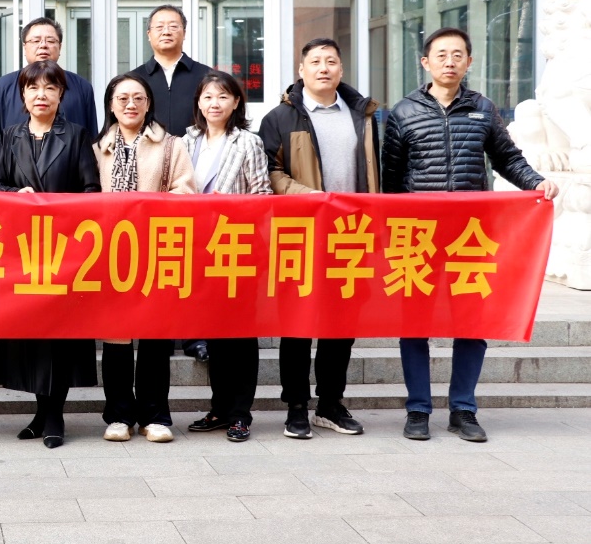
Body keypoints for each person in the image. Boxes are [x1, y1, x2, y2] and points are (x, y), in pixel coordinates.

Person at [383, 27, 558, 443]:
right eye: (441, 54)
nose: (449, 61)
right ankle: (418, 409)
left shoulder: (482, 108)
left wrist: (535, 182)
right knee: (414, 325)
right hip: (419, 235)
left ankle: (463, 408)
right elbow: (389, 180)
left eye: (457, 54)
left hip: (470, 235)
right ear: (425, 62)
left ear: (469, 62)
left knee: (472, 323)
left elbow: (507, 158)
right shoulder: (403, 112)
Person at [258, 38, 378, 440]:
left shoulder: (363, 115)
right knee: (297, 323)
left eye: (331, 61)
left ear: (341, 69)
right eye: (315, 61)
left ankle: (330, 404)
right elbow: (270, 172)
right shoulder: (280, 117)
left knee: (341, 324)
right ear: (301, 69)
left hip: (351, 233)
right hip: (301, 232)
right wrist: (310, 197)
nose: (323, 68)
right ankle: (296, 406)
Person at [0, 59, 101, 448]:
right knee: (31, 335)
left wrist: (61, 209)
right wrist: (13, 194)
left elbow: (91, 190)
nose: (41, 95)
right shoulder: (10, 136)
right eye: (33, 88)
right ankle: (41, 413)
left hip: (64, 251)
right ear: (23, 95)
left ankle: (55, 415)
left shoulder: (77, 135)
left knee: (59, 335)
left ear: (61, 94)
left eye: (50, 88)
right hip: (23, 251)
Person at [92, 72, 196, 443]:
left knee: (155, 338)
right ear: (111, 105)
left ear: (149, 103)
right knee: (116, 340)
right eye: (122, 98)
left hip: (157, 250)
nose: (130, 104)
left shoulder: (171, 145)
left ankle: (155, 416)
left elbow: (186, 192)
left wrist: (148, 211)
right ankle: (119, 415)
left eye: (138, 97)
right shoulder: (98, 148)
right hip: (112, 254)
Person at [181, 72, 272, 441]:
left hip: (237, 247)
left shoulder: (248, 142)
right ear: (199, 103)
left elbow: (262, 195)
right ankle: (219, 408)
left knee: (241, 335)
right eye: (207, 97)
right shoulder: (187, 141)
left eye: (222, 96)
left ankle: (240, 413)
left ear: (236, 102)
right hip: (198, 250)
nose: (214, 103)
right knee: (215, 332)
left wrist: (231, 208)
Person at [136, 3, 214, 362]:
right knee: (157, 259)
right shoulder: (135, 80)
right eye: (159, 26)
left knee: (195, 260)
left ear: (184, 31)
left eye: (173, 25)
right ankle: (158, 331)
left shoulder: (206, 78)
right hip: (148, 184)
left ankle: (195, 335)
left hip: (195, 182)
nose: (166, 31)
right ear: (149, 34)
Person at [0, 16, 98, 173]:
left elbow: (92, 137)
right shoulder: (4, 85)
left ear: (60, 47)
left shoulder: (82, 86)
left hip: (69, 178)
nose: (43, 45)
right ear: (24, 47)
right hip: (15, 178)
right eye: (36, 40)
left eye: (50, 41)